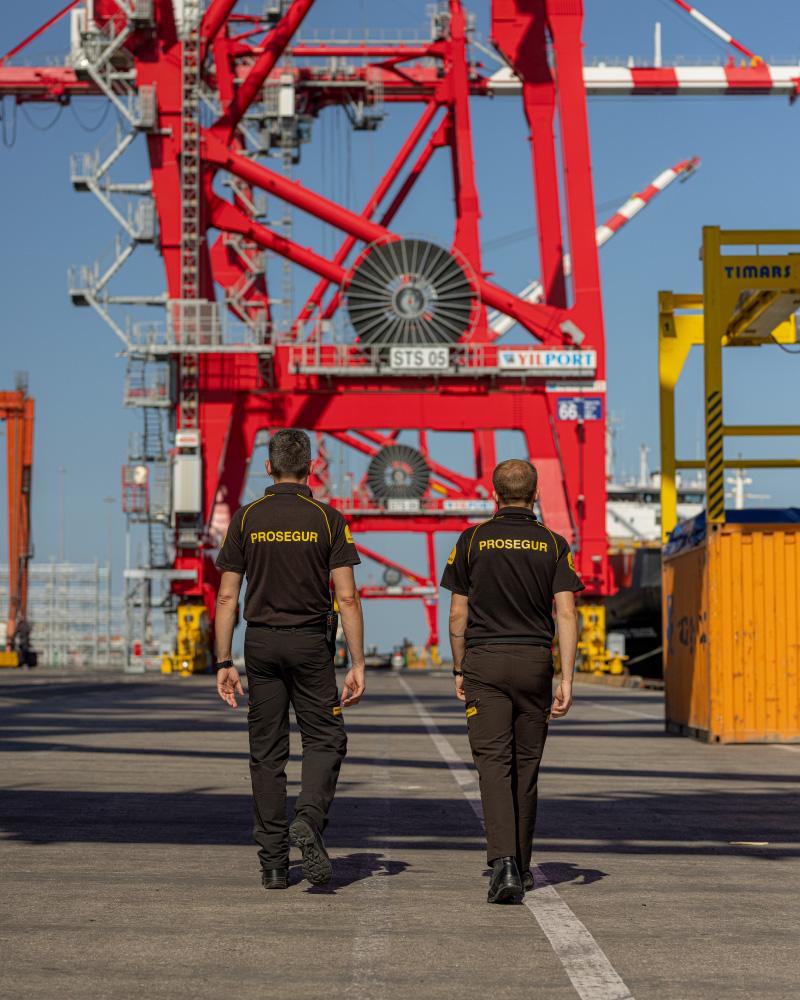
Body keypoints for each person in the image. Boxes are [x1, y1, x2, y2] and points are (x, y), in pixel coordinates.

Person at [213, 428, 366, 891]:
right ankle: (309, 820)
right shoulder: (327, 519)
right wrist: (357, 662)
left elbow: (226, 598)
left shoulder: (246, 518)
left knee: (267, 753)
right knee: (325, 738)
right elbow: (348, 597)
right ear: (311, 468)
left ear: (267, 467)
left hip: (259, 644)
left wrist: (223, 661)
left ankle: (274, 864)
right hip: (310, 644)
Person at [440, 458, 582, 905]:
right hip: (534, 664)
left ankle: (503, 864)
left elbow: (457, 615)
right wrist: (567, 676)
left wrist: (459, 667)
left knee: (493, 766)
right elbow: (565, 612)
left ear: (494, 494)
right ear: (536, 494)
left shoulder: (471, 541)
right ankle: (520, 865)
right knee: (526, 766)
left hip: (485, 663)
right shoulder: (553, 544)